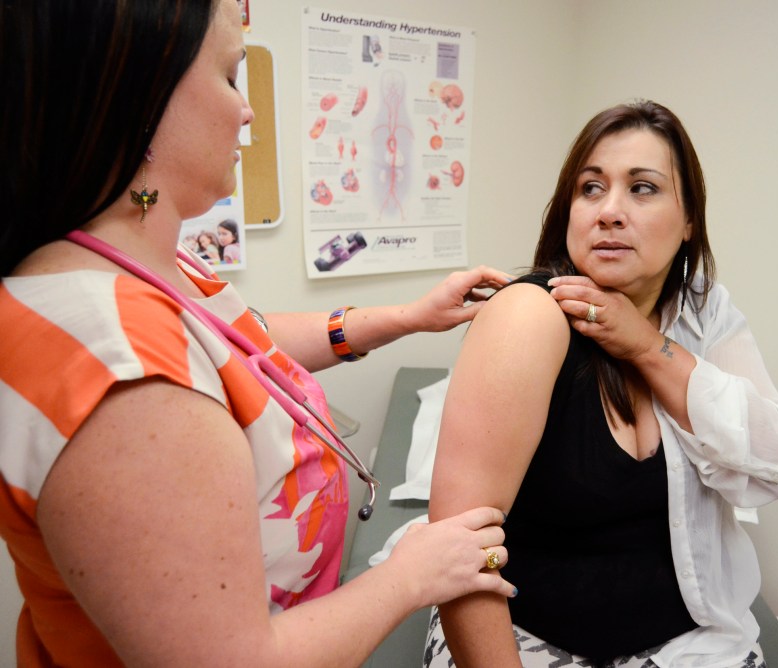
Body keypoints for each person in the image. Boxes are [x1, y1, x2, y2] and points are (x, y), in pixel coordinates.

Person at [0, 1, 516, 666]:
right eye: (230, 75)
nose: (247, 113)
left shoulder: (130, 261)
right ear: (143, 93)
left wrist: (404, 318)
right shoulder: (124, 378)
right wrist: (409, 575)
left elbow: (239, 340)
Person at [425, 100, 778, 668]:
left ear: (689, 221)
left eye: (643, 188)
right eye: (591, 188)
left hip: (693, 641)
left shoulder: (703, 312)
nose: (610, 211)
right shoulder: (530, 316)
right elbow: (457, 549)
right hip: (529, 641)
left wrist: (645, 345)